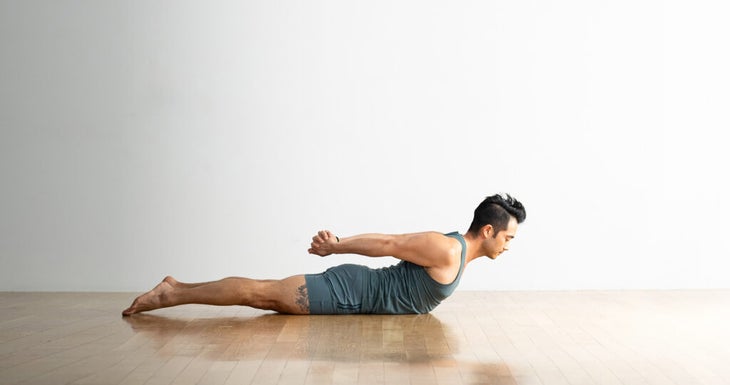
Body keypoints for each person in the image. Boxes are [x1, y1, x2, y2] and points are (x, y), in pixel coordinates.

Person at [122, 193, 526, 316]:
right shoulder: (446, 247)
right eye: (508, 237)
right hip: (351, 291)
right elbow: (388, 243)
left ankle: (176, 289)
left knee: (263, 295)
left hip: (357, 300)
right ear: (488, 230)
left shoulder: (458, 256)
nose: (509, 245)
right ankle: (171, 293)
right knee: (260, 294)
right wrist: (336, 245)